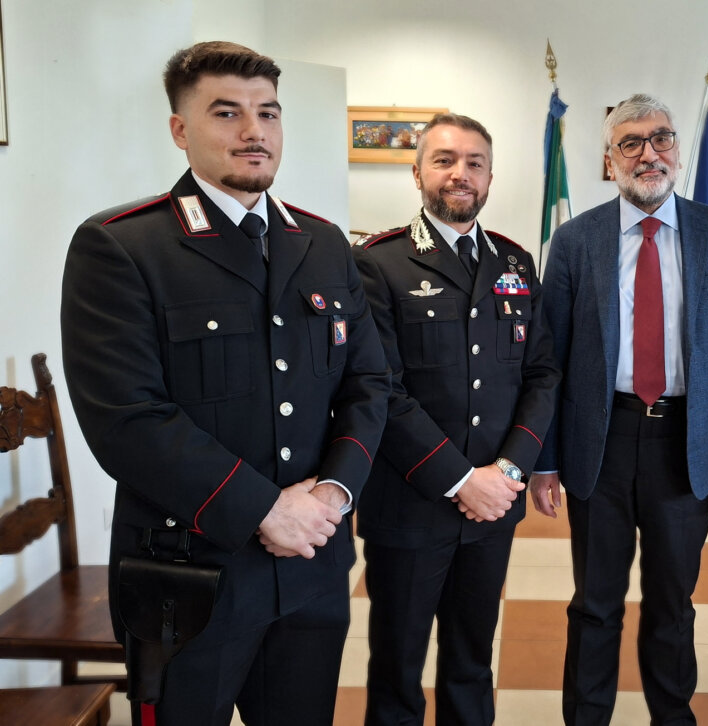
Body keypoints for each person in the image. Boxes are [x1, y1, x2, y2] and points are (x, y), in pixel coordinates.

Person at [60, 41, 390, 726]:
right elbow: (128, 422)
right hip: (190, 576)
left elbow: (368, 383)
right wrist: (268, 510)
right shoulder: (123, 247)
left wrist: (332, 492)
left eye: (268, 113)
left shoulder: (324, 243)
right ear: (180, 130)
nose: (254, 132)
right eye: (226, 113)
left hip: (312, 563)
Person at [530, 93, 708, 725]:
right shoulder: (577, 239)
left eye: (660, 139)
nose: (648, 153)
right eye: (630, 142)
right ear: (609, 160)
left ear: (678, 151)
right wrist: (543, 461)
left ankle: (671, 716)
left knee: (672, 601)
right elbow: (549, 358)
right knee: (595, 601)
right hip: (598, 442)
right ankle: (587, 716)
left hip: (686, 443)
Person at [352, 113, 560, 726]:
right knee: (397, 665)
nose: (459, 173)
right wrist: (460, 479)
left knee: (472, 658)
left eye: (473, 162)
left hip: (494, 502)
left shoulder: (517, 264)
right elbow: (380, 389)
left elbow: (542, 374)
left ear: (491, 176)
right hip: (411, 503)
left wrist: (509, 470)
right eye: (443, 159)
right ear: (417, 172)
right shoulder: (376, 263)